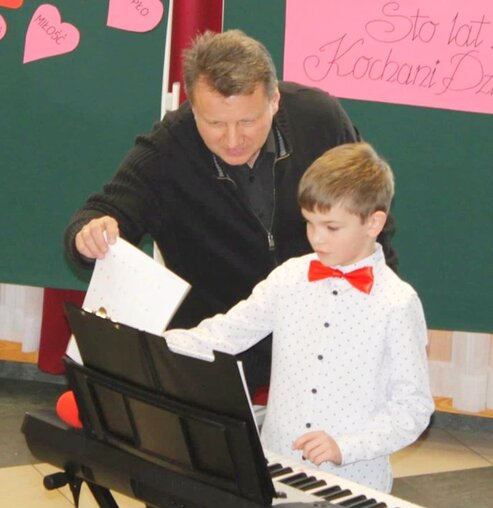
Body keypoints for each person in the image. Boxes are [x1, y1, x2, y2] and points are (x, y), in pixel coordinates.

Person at [64, 29, 397, 399]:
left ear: (274, 100)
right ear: (192, 107)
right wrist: (88, 235)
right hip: (218, 342)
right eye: (215, 124)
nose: (234, 139)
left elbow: (371, 218)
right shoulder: (168, 149)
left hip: (323, 330)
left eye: (248, 121)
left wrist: (379, 308)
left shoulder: (319, 119)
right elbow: (100, 213)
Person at [165, 142, 434, 493]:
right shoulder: (290, 277)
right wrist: (151, 342)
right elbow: (227, 332)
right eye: (309, 223)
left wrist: (346, 447)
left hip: (354, 481)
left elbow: (413, 407)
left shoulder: (397, 303)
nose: (317, 238)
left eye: (332, 227)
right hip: (277, 468)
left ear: (374, 223)